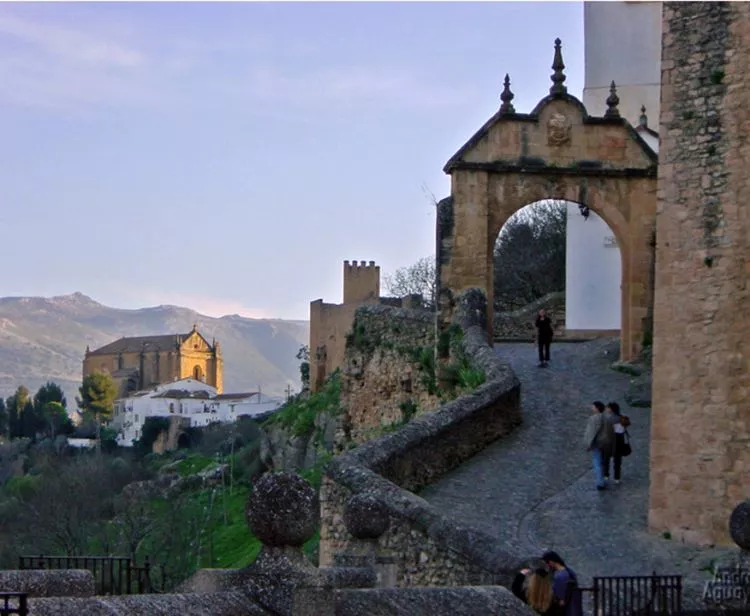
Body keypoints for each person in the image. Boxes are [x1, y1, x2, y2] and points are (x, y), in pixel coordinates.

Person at [583, 401, 615, 490]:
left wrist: (587, 444)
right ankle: (603, 480)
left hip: (597, 443)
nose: (591, 408)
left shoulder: (593, 419)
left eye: (593, 407)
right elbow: (611, 432)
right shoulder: (608, 418)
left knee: (597, 462)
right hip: (606, 443)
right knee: (603, 462)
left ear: (597, 408)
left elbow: (591, 432)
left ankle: (600, 482)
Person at [541, 551, 583, 616]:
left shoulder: (560, 576)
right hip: (574, 609)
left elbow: (560, 600)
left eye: (547, 564)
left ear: (551, 562)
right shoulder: (570, 572)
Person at [603, 401, 630, 483]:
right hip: (620, 440)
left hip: (611, 440)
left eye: (608, 407)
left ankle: (606, 475)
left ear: (611, 409)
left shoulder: (609, 419)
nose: (606, 409)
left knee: (606, 458)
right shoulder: (622, 418)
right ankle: (617, 477)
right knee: (617, 460)